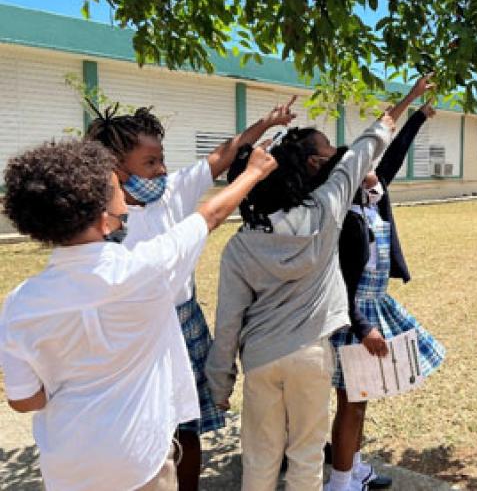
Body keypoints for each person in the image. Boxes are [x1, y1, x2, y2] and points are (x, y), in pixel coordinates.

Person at [0, 138, 276, 491]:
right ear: (103, 216)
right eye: (115, 187)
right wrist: (254, 171)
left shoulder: (20, 303)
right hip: (139, 461)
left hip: (67, 465)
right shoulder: (148, 270)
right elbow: (210, 215)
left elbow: (24, 400)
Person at [205, 76, 434, 491]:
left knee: (260, 459)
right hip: (311, 357)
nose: (336, 152)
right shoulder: (327, 208)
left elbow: (227, 323)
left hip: (260, 360)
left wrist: (221, 384)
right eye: (327, 146)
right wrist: (405, 105)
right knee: (307, 459)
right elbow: (370, 143)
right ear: (312, 165)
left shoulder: (239, 247)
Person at [84, 98, 296, 490]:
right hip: (133, 332)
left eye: (161, 159)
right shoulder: (97, 218)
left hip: (183, 322)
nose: (162, 169)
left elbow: (224, 154)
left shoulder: (173, 192)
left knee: (187, 425)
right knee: (145, 424)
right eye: (150, 163)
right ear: (115, 168)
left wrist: (266, 124)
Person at [327, 102, 446, 491]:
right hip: (355, 315)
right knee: (352, 402)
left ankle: (353, 468)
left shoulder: (374, 199)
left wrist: (415, 116)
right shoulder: (344, 213)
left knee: (363, 396)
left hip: (375, 306)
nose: (376, 172)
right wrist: (361, 326)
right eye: (367, 166)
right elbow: (340, 280)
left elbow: (394, 151)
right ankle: (340, 481)